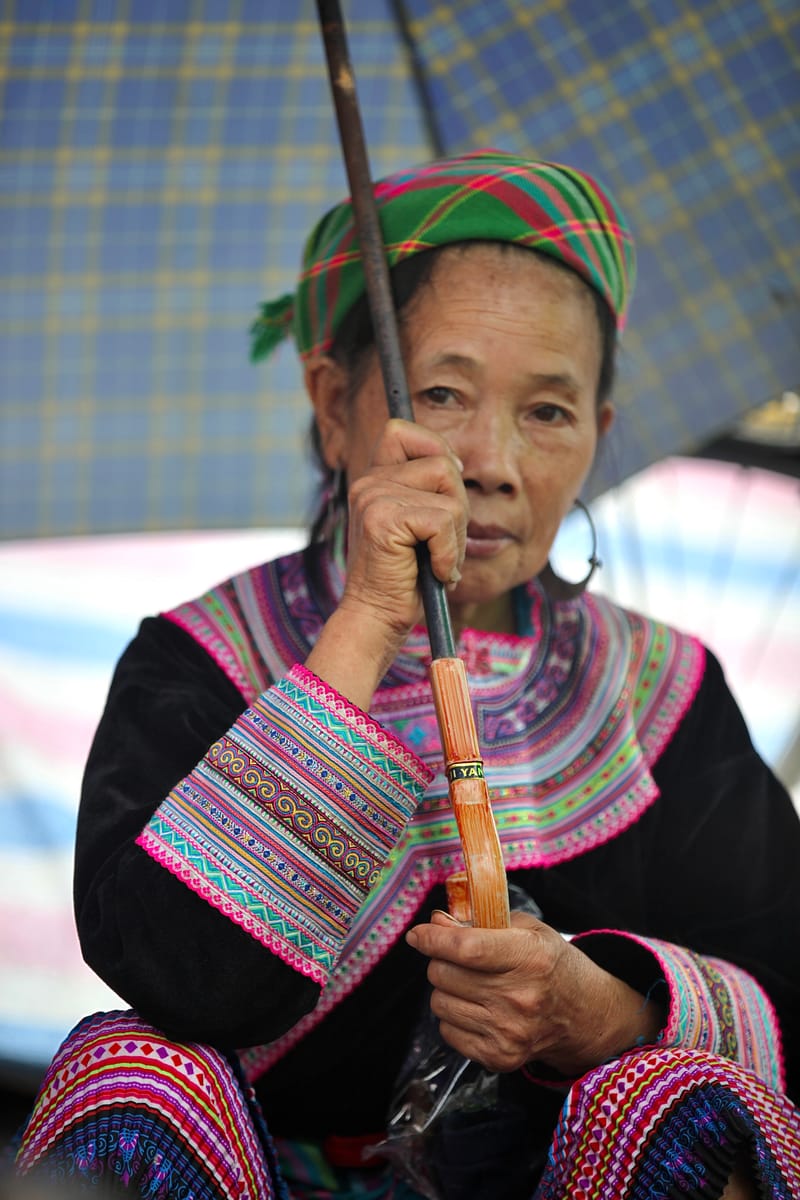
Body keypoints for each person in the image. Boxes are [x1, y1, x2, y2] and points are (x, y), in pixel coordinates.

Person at [9, 150, 800, 1200]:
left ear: (597, 439)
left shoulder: (661, 694)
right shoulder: (198, 659)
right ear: (334, 407)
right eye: (440, 394)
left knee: (671, 1095)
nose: (490, 461)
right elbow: (170, 976)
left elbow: (784, 998)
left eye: (548, 413)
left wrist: (595, 1012)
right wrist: (371, 622)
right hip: (263, 1177)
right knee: (129, 1071)